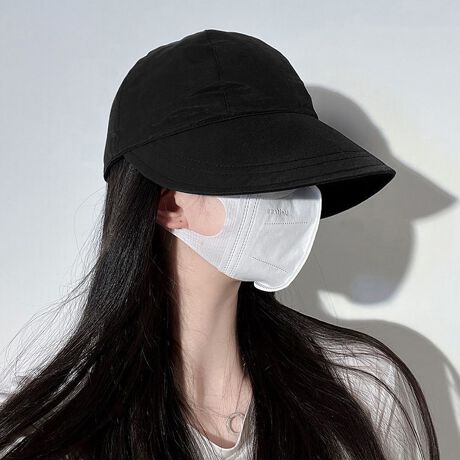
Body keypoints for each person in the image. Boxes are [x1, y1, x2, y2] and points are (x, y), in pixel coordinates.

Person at [0, 29, 438, 459]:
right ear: (169, 204)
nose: (297, 197)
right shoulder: (55, 440)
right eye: (259, 173)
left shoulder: (361, 390)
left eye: (299, 170)